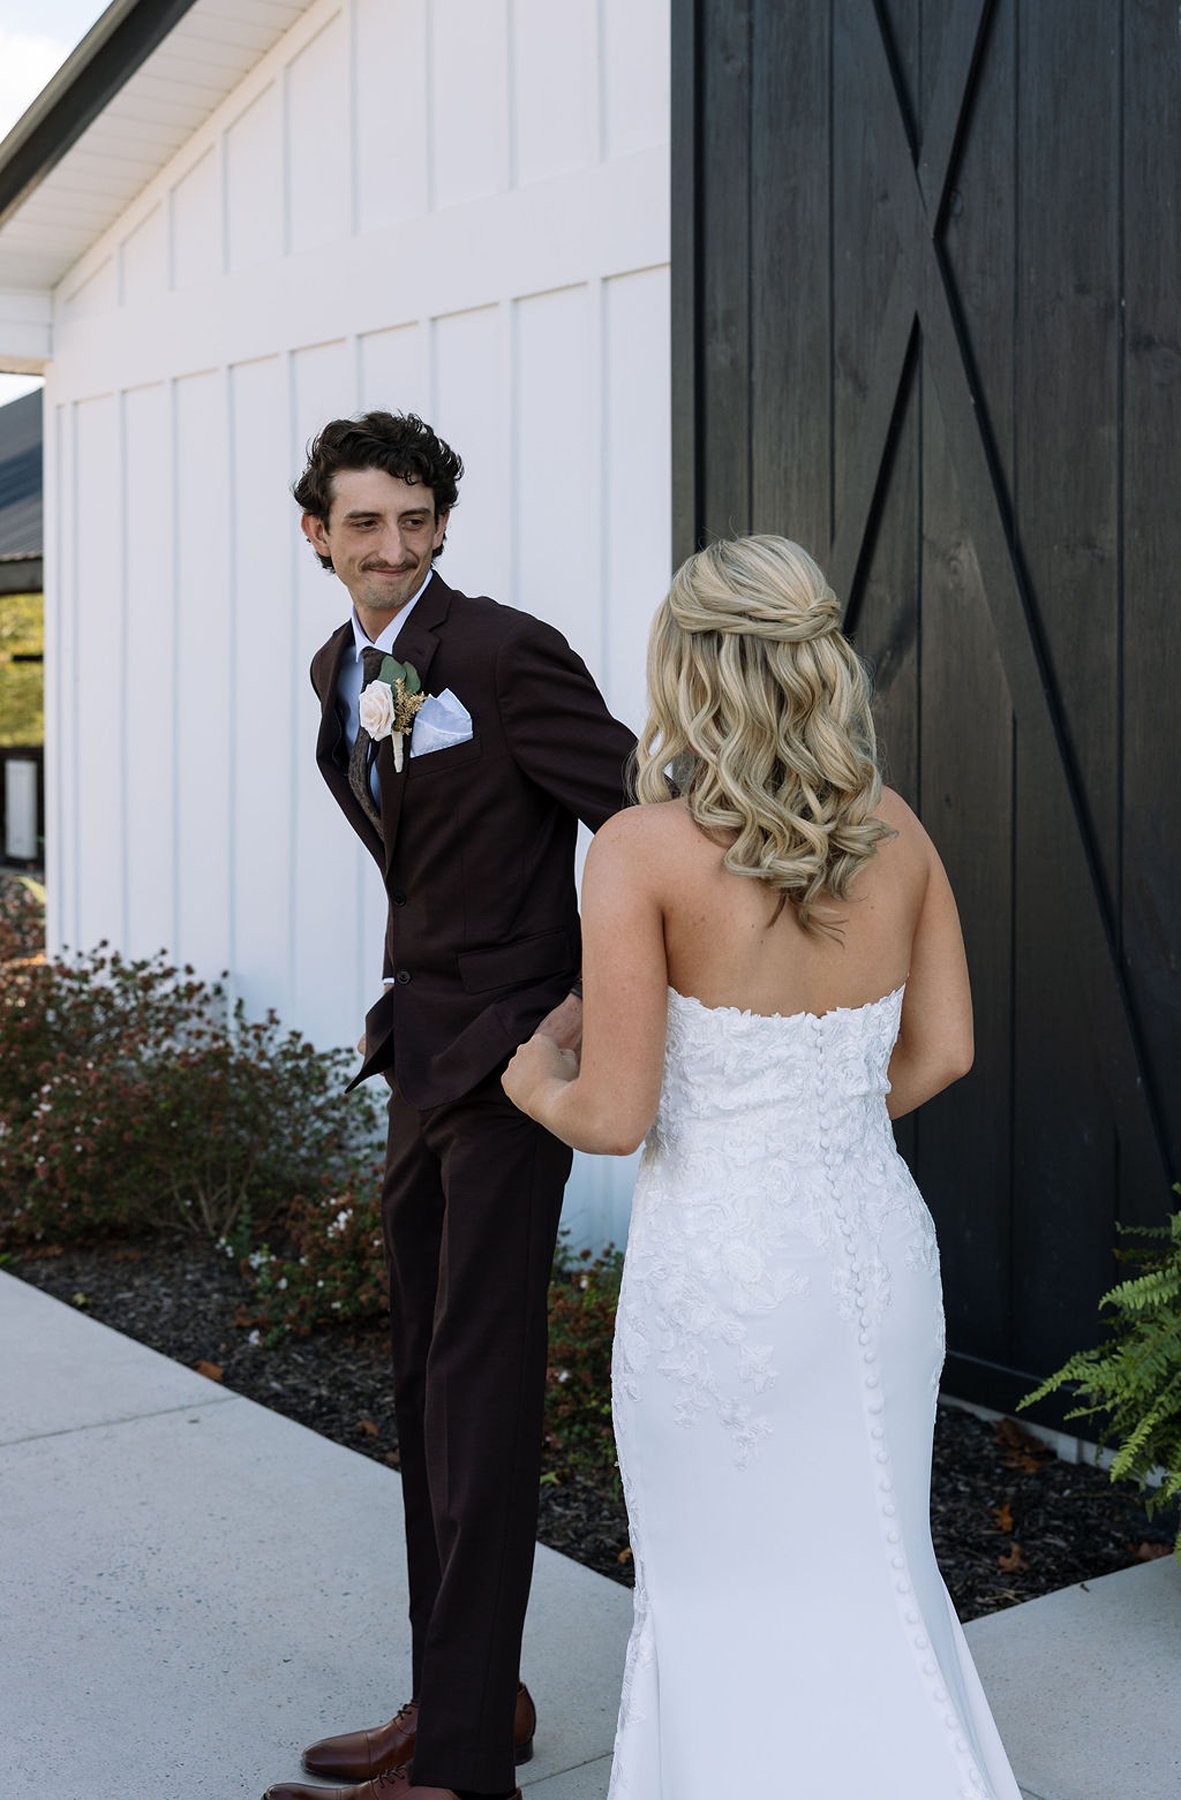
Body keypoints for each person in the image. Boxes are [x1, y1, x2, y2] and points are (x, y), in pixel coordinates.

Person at [502, 534, 1023, 1798]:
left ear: (686, 670)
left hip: (721, 1276)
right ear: (816, 664)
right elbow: (943, 1050)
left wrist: (530, 1083)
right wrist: (819, 1122)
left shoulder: (638, 848)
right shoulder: (893, 829)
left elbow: (615, 1116)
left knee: (720, 1584)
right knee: (876, 1567)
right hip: (872, 1251)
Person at [263, 411, 635, 1800]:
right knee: (424, 1395)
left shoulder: (500, 650)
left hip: (509, 1071)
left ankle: (464, 1767)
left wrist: (594, 999)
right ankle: (464, 1693)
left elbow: (640, 823)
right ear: (319, 533)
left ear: (439, 523)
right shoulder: (335, 669)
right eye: (365, 522)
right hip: (418, 1054)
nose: (393, 546)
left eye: (415, 520)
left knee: (476, 1403)